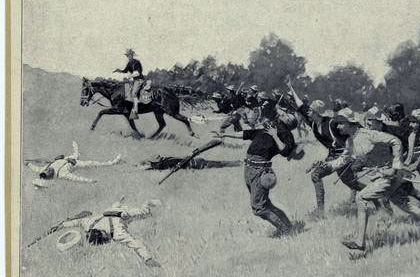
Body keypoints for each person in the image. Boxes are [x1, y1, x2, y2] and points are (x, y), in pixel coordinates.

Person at [328, 111, 420, 253]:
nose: (339, 127)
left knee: (361, 198)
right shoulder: (350, 141)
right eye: (338, 124)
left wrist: (396, 166)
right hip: (380, 177)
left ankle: (360, 242)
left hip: (388, 175)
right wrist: (327, 166)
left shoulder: (368, 134)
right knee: (405, 205)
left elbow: (395, 141)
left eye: (341, 123)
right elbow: (343, 159)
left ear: (350, 123)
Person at [214, 101, 300, 237]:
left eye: (284, 115)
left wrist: (274, 135)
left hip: (260, 171)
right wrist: (225, 135)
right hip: (249, 168)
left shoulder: (285, 134)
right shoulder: (270, 128)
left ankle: (286, 231)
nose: (280, 114)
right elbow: (246, 134)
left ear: (288, 121)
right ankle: (287, 225)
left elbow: (285, 152)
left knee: (259, 208)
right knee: (264, 204)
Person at [287, 82, 363, 218]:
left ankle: (375, 195)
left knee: (343, 181)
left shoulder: (332, 123)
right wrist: (291, 88)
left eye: (311, 110)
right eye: (309, 110)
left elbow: (352, 133)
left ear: (317, 112)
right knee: (347, 181)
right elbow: (301, 106)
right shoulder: (313, 123)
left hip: (343, 156)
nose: (308, 112)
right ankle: (321, 212)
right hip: (332, 156)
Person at [54, 198, 163, 267]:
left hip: (124, 215)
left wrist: (147, 259)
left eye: (106, 240)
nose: (109, 241)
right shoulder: (89, 224)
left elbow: (135, 244)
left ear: (104, 235)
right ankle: (118, 203)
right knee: (115, 206)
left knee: (144, 212)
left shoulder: (117, 233)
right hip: (109, 210)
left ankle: (148, 202)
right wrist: (60, 226)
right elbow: (77, 222)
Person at [26, 141, 122, 188]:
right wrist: (90, 181)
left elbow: (36, 169)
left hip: (68, 158)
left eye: (46, 171)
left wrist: (28, 164)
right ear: (50, 178)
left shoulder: (45, 169)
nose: (48, 170)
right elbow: (77, 179)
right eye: (48, 174)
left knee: (76, 154)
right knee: (92, 163)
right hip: (74, 164)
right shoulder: (62, 175)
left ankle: (76, 148)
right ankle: (112, 163)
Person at [113, 48, 146, 120]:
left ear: (132, 55)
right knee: (127, 93)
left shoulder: (137, 62)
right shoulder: (129, 63)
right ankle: (128, 108)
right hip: (134, 81)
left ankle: (135, 112)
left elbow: (138, 72)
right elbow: (125, 71)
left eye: (130, 55)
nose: (129, 56)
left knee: (134, 93)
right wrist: (119, 70)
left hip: (139, 80)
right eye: (127, 56)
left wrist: (130, 76)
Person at [139, 155, 240, 171]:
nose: (153, 164)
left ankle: (236, 163)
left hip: (198, 164)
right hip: (198, 162)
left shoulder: (168, 162)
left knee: (220, 165)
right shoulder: (166, 161)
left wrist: (178, 166)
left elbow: (159, 168)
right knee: (220, 163)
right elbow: (156, 168)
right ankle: (236, 162)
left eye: (154, 163)